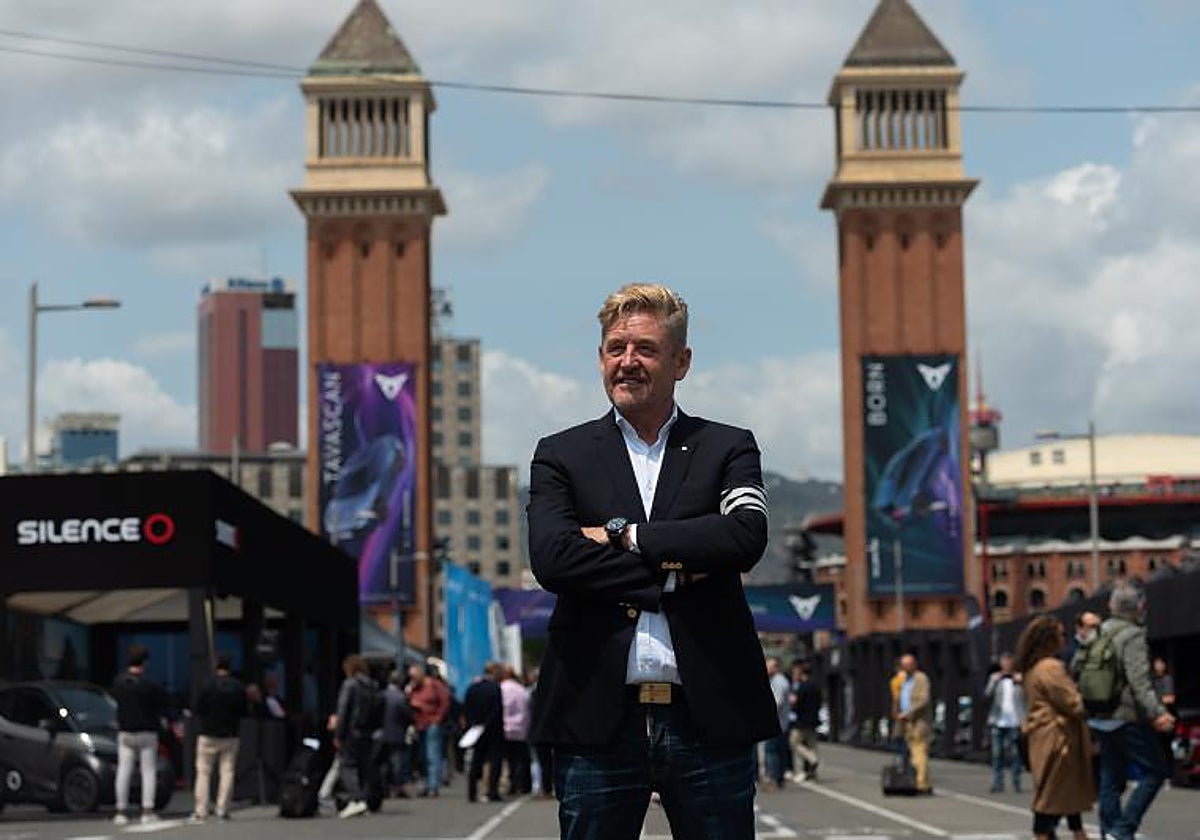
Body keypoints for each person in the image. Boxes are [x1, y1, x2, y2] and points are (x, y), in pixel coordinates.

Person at [527, 282, 777, 839]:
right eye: (616, 348)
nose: (628, 361)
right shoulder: (560, 453)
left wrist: (626, 536)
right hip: (596, 719)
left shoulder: (728, 446)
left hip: (708, 716)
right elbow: (553, 559)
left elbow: (743, 538)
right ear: (600, 357)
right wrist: (676, 572)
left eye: (645, 349)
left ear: (681, 362)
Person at [1093, 581, 1174, 840]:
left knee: (1110, 775)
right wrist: (1158, 712)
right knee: (1155, 772)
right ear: (1139, 607)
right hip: (1125, 716)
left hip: (1099, 715)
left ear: (1112, 606)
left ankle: (1109, 831)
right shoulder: (1133, 635)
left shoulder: (1098, 632)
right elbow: (1139, 682)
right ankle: (1123, 830)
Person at [1014, 615, 1094, 840]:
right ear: (1049, 639)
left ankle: (1078, 833)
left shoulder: (1033, 668)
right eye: (1061, 634)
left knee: (1062, 795)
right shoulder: (1050, 667)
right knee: (1052, 797)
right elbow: (1071, 701)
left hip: (1045, 737)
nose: (1064, 639)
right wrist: (1095, 702)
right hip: (1058, 739)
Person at [110, 644, 167, 825]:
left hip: (125, 732)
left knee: (123, 771)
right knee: (148, 771)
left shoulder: (118, 683)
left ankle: (120, 811)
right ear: (145, 662)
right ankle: (147, 811)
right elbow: (161, 706)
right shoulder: (150, 685)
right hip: (147, 732)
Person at [190, 653, 246, 822]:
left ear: (216, 665)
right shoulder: (237, 686)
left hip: (208, 733)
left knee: (203, 772)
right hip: (230, 734)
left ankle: (201, 810)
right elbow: (243, 709)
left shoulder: (207, 685)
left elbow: (198, 708)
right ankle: (223, 808)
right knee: (227, 771)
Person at [333, 654, 377, 819]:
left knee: (347, 766)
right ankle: (363, 799)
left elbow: (343, 709)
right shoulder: (372, 685)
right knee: (363, 767)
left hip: (351, 732)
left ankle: (357, 799)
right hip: (367, 732)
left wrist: (338, 733)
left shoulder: (350, 684)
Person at [984, 652, 1026, 793]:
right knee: (997, 753)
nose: (1007, 665)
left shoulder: (1019, 678)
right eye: (1004, 662)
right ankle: (998, 782)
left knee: (1016, 754)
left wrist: (1021, 682)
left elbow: (1027, 697)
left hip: (1015, 721)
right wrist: (994, 681)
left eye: (1009, 662)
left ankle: (1016, 781)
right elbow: (987, 694)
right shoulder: (995, 678)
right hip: (998, 720)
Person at [463, 662, 504, 803]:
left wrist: (473, 725)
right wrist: (487, 724)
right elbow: (497, 710)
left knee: (476, 759)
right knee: (495, 760)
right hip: (493, 729)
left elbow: (466, 709)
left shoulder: (472, 688)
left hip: (475, 729)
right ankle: (493, 791)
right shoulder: (495, 688)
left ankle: (472, 791)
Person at [409, 661, 451, 797]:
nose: (412, 679)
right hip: (419, 724)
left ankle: (433, 785)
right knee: (422, 756)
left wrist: (438, 717)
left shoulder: (434, 685)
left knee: (432, 755)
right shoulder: (414, 688)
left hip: (432, 723)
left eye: (414, 676)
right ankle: (425, 784)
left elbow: (445, 702)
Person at [894, 654, 932, 795]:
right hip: (907, 722)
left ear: (914, 665)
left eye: (908, 664)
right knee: (914, 753)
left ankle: (921, 785)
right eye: (903, 665)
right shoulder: (905, 680)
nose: (905, 667)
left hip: (919, 722)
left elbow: (923, 700)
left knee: (919, 752)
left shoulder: (920, 678)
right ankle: (924, 783)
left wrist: (909, 712)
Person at [381, 669, 415, 797]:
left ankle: (385, 787)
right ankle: (397, 787)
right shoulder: (401, 697)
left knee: (385, 762)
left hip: (383, 733)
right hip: (398, 733)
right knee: (398, 762)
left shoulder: (382, 695)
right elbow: (408, 716)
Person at [500, 665, 532, 795]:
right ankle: (523, 785)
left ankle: (512, 784)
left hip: (506, 728)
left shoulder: (501, 688)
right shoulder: (522, 690)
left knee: (509, 760)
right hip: (521, 729)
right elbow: (528, 711)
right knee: (522, 759)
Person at [788, 662, 822, 783]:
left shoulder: (802, 686)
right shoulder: (816, 685)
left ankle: (813, 760)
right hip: (814, 720)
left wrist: (793, 702)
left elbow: (797, 705)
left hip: (802, 721)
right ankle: (812, 774)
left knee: (794, 742)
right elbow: (819, 702)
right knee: (811, 745)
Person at [763, 657, 791, 790]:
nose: (767, 668)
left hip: (777, 723)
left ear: (776, 667)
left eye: (769, 666)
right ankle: (779, 778)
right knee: (779, 751)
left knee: (771, 751)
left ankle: (773, 778)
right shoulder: (777, 680)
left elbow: (777, 703)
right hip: (781, 723)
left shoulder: (779, 682)